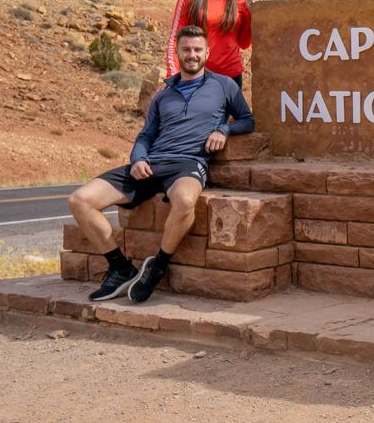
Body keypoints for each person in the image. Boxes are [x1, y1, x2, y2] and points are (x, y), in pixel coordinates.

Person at [69, 25, 255, 304]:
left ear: (207, 52)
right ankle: (120, 268)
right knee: (79, 200)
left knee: (184, 200)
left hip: (188, 164)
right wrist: (138, 159)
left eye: (197, 49)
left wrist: (223, 130)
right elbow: (145, 135)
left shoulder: (224, 85)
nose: (191, 55)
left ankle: (156, 267)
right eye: (186, 50)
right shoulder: (163, 94)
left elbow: (247, 119)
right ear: (178, 53)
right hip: (151, 163)